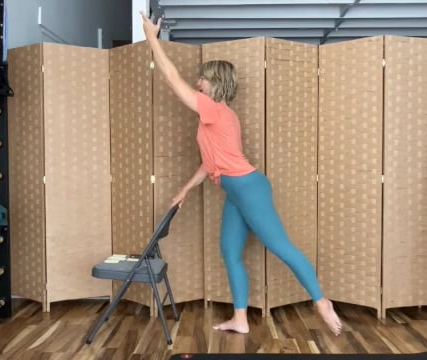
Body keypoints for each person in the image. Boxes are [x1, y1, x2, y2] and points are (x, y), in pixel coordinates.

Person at [140, 12, 342, 337]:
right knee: (230, 252)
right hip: (236, 189)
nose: (198, 84)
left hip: (247, 188)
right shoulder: (223, 115)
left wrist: (152, 38)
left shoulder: (213, 108)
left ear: (214, 82)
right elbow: (211, 163)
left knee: (281, 247)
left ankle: (321, 301)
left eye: (202, 79)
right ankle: (240, 318)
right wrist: (185, 190)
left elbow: (172, 79)